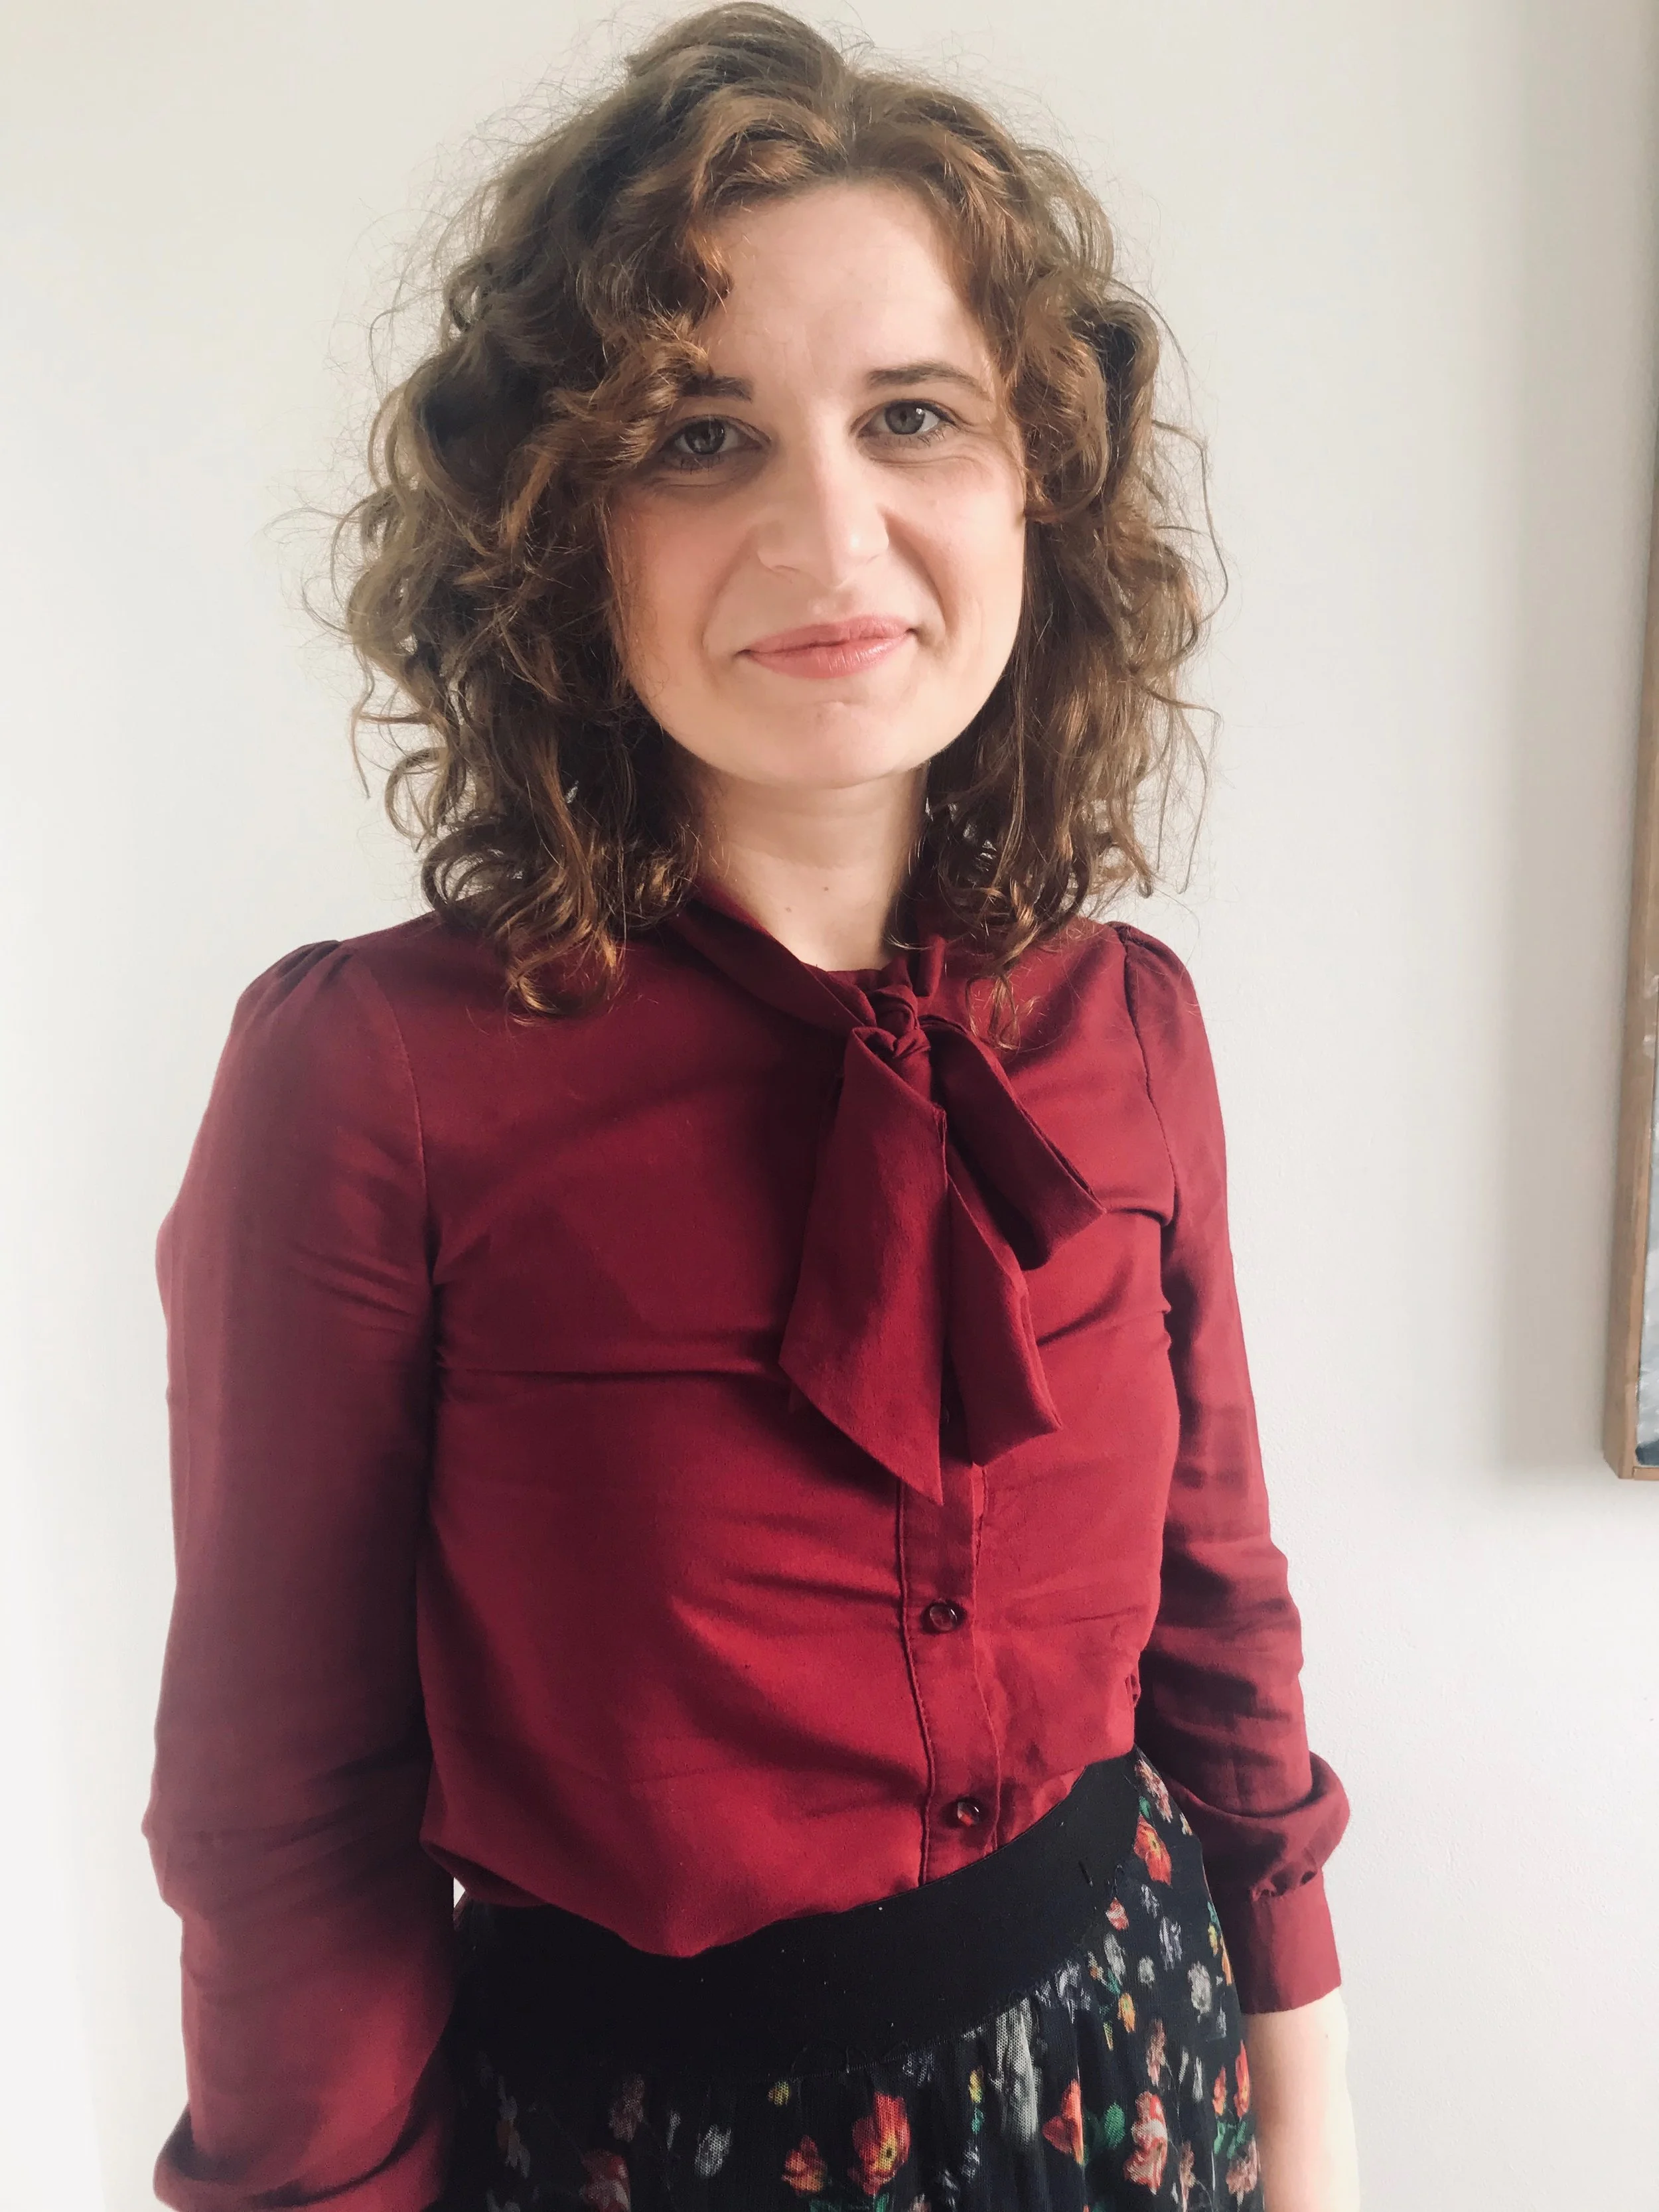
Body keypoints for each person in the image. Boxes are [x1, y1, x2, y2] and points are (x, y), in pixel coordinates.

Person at [143, 9, 1360, 2209]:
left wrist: (1312, 2118)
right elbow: (283, 1810)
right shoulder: (373, 1077)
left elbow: (1217, 1615)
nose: (829, 528)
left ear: (1031, 483)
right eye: (699, 437)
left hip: (1137, 2077)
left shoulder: (1133, 1028)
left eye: (912, 416)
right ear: (559, 525)